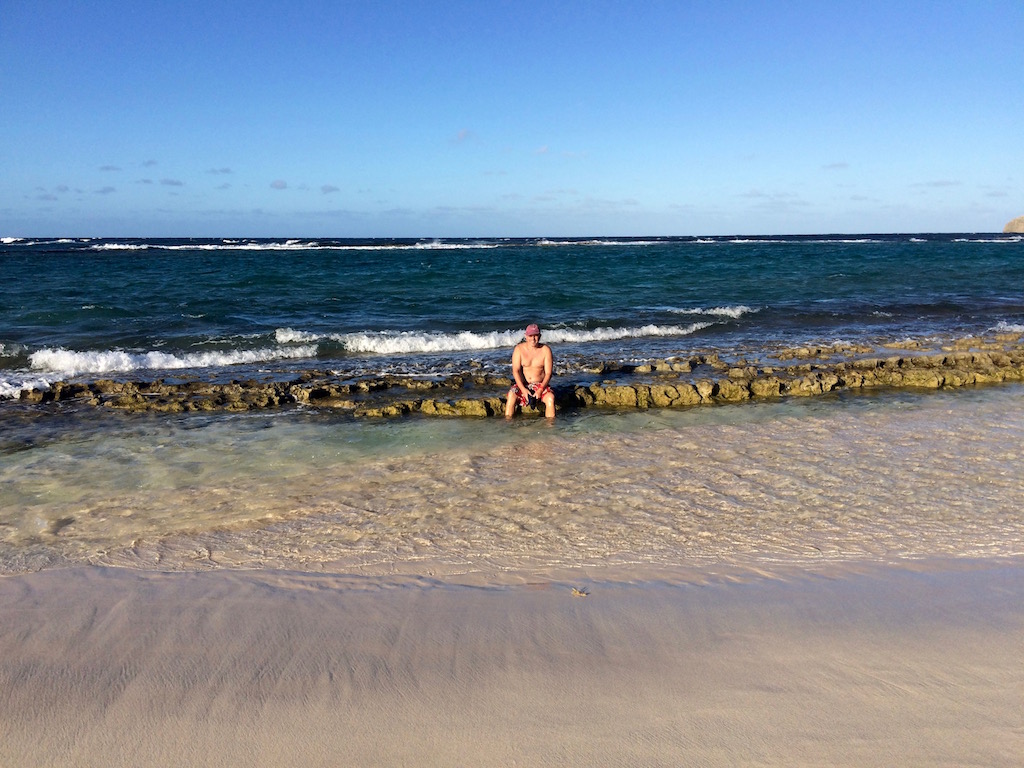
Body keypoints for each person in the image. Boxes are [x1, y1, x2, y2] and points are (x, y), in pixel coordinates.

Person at [505, 323, 556, 419]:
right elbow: (515, 371)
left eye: (536, 335)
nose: (533, 339)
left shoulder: (545, 350)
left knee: (550, 398)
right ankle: (508, 425)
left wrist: (540, 389)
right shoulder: (519, 349)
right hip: (523, 384)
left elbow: (548, 373)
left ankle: (550, 428)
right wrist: (523, 390)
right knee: (511, 395)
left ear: (540, 336)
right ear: (526, 336)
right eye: (530, 336)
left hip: (540, 385)